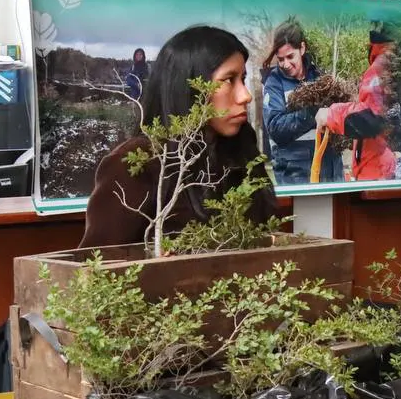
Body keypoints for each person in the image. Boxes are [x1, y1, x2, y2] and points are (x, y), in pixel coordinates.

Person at [82, 25, 277, 247]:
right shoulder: (136, 163)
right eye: (228, 80)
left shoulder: (240, 150)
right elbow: (97, 267)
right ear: (189, 87)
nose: (245, 96)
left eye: (242, 78)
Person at [262, 20, 343, 185]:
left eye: (290, 56)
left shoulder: (321, 76)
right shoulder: (274, 84)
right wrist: (313, 112)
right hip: (296, 178)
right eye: (281, 59)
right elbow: (276, 129)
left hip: (332, 173)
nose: (285, 64)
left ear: (302, 49)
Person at [316, 29, 396, 181]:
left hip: (375, 170)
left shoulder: (381, 66)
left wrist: (331, 114)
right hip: (377, 164)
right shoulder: (389, 61)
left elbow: (371, 117)